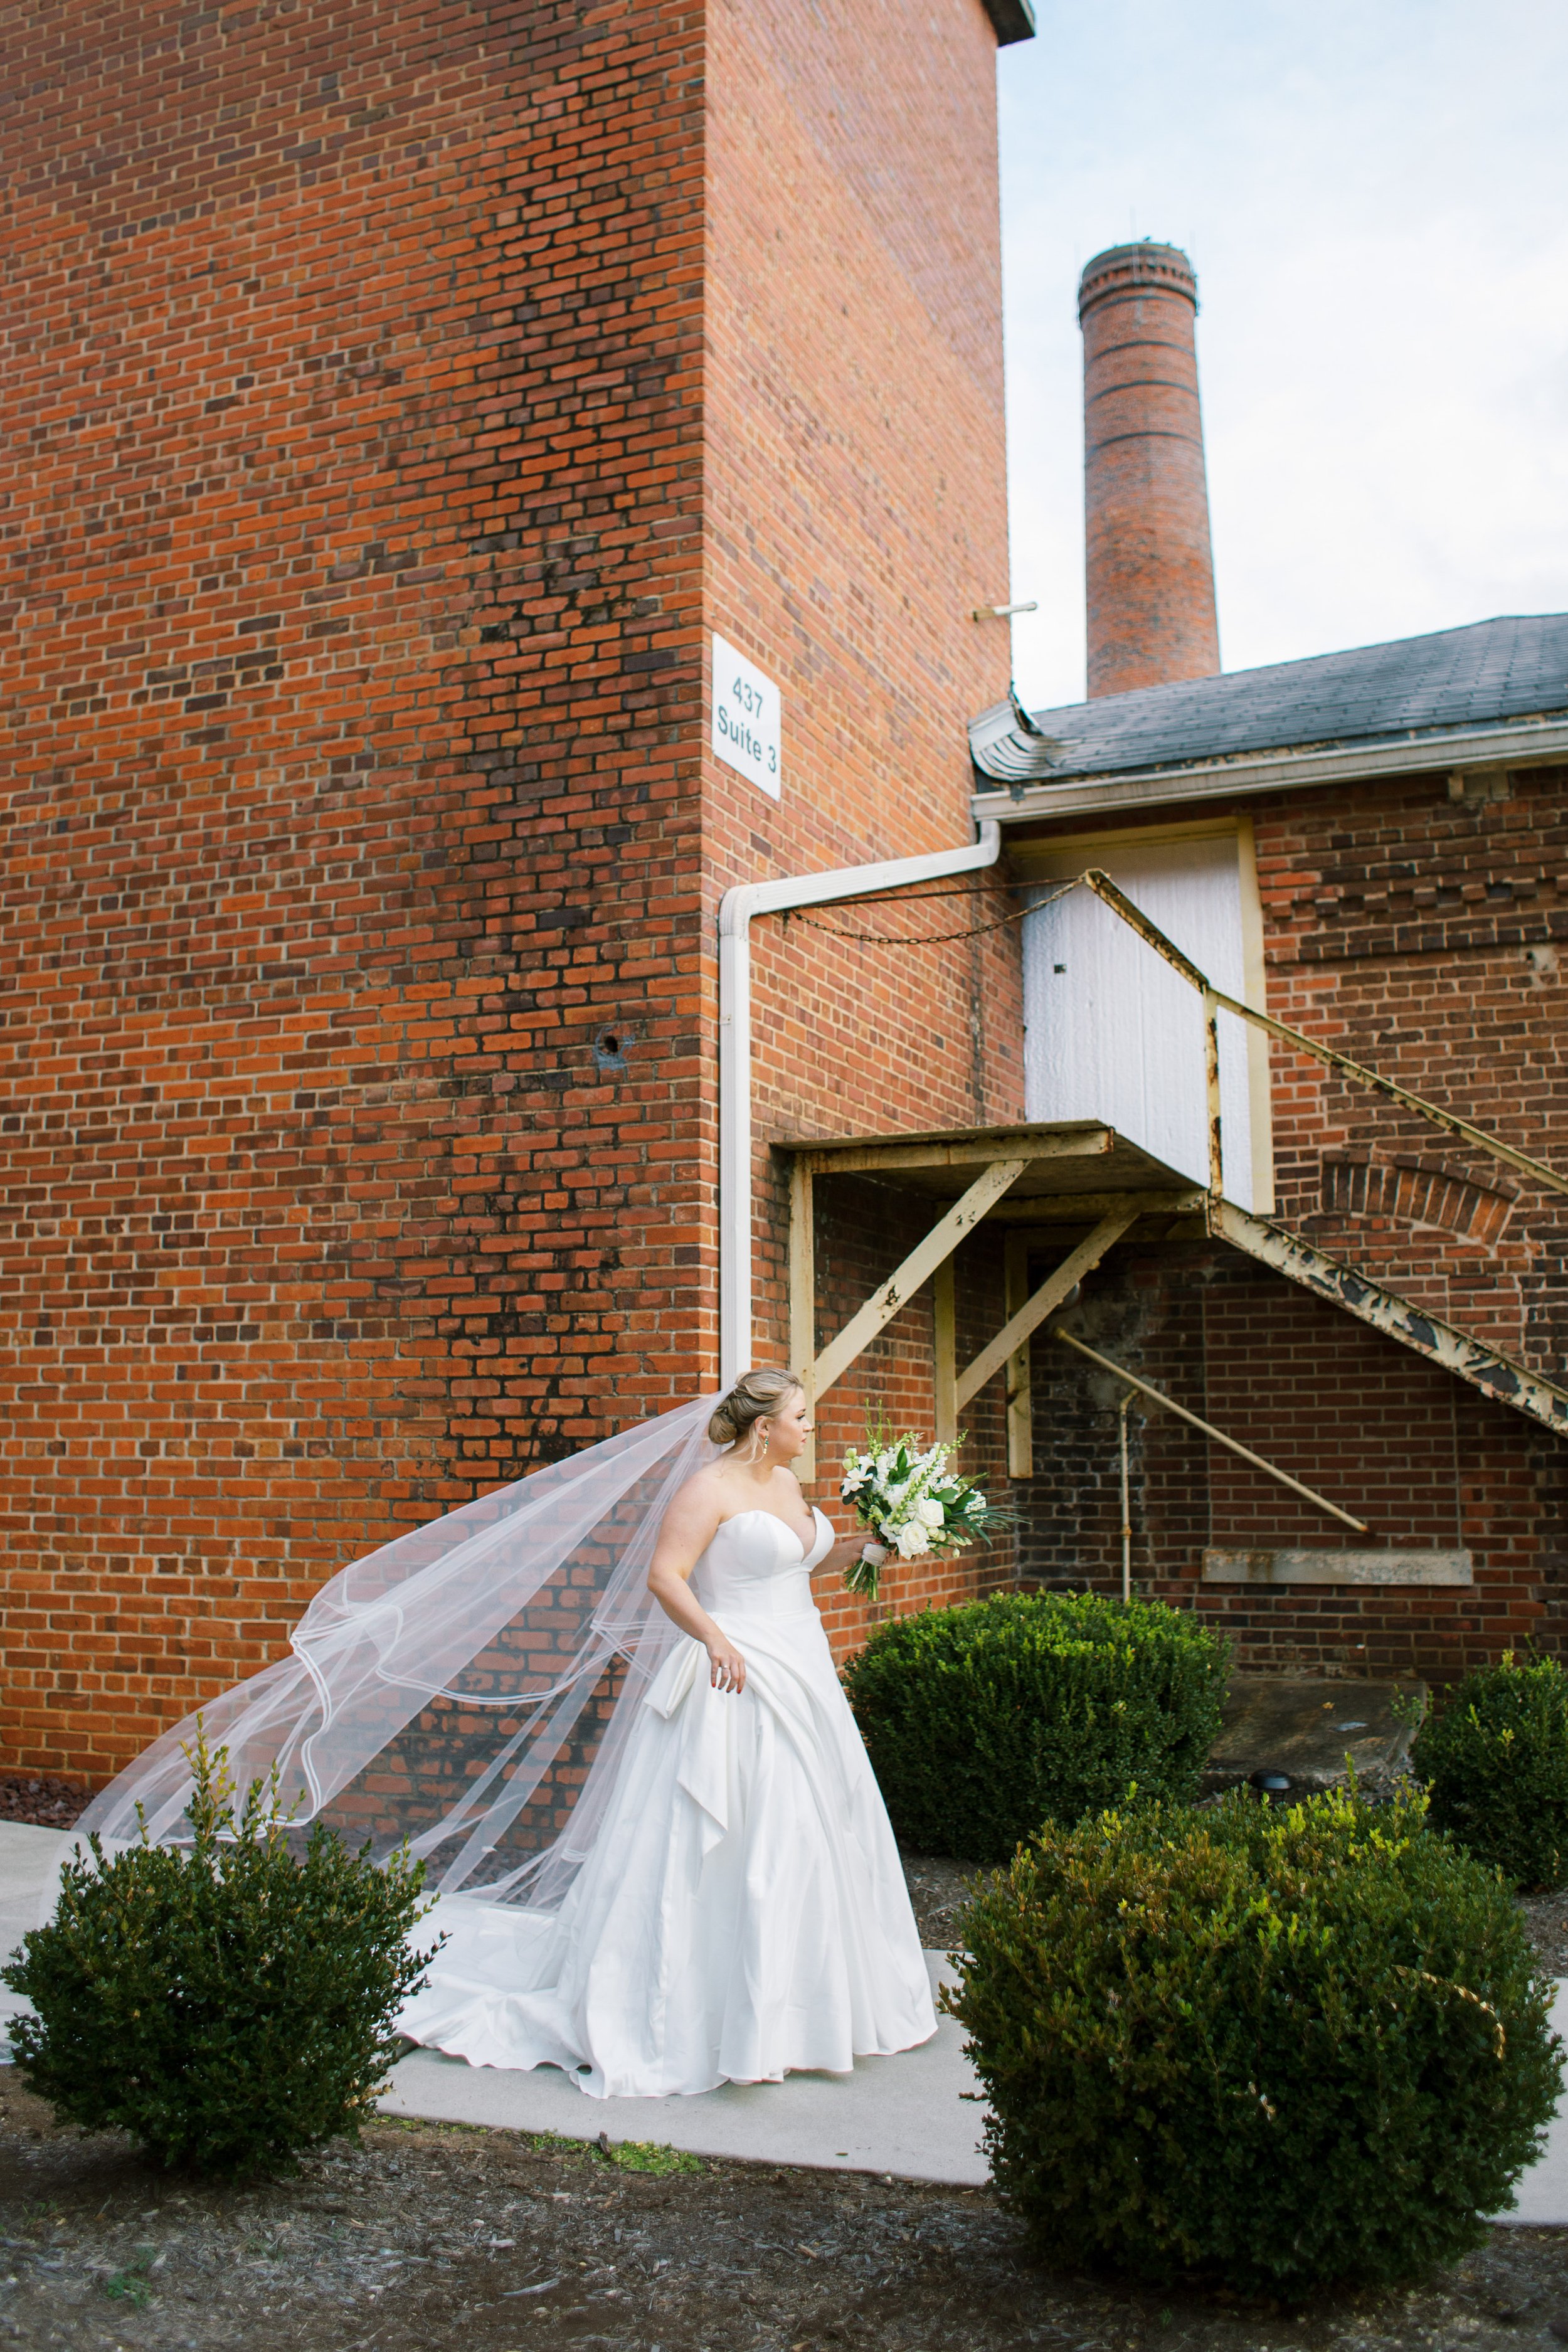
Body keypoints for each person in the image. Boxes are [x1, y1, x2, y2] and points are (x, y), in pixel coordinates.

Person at [396, 1367, 938, 2095]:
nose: (810, 1429)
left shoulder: (785, 1485)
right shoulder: (708, 1488)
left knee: (809, 1829)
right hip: (735, 1673)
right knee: (733, 1832)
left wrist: (872, 1546)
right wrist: (714, 1639)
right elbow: (667, 1575)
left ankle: (803, 2010)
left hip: (802, 1668)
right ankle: (700, 2012)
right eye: (801, 1418)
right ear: (762, 1428)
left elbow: (797, 1563)